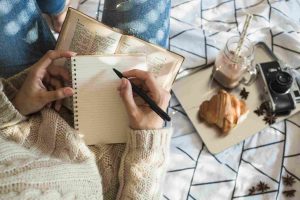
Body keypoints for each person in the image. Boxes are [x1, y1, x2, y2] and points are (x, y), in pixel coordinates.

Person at [0, 0, 172, 199]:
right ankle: (57, 11)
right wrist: (147, 140)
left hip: (22, 112)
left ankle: (57, 11)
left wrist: (15, 105)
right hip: (124, 144)